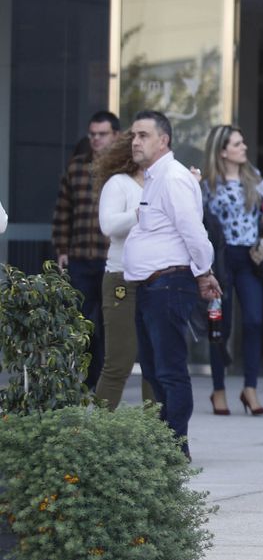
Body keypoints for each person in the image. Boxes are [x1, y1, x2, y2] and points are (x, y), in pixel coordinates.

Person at [122, 110, 221, 455]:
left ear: (163, 140)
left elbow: (193, 231)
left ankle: (176, 447)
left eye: (143, 135)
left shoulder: (173, 178)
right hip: (151, 287)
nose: (135, 141)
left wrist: (204, 272)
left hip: (168, 285)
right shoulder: (155, 177)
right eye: (134, 135)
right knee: (153, 368)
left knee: (169, 370)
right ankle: (166, 444)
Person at [199, 125, 263, 417]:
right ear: (223, 151)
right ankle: (218, 388)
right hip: (221, 261)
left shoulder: (256, 181)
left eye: (243, 142)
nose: (244, 148)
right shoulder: (206, 185)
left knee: (254, 320)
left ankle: (250, 388)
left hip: (250, 259)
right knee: (220, 327)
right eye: (238, 144)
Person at [52, 110, 119, 390]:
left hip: (112, 259)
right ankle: (88, 380)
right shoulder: (76, 166)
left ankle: (104, 381)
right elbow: (63, 210)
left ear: (115, 135)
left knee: (109, 323)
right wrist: (62, 248)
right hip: (80, 257)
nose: (96, 139)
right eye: (92, 134)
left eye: (102, 134)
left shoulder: (124, 169)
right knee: (82, 320)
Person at [93, 132, 153, 409]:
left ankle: (155, 437)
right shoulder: (118, 184)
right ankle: (97, 437)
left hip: (156, 279)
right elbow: (108, 226)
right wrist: (140, 213)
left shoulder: (163, 182)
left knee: (156, 365)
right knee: (119, 361)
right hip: (122, 278)